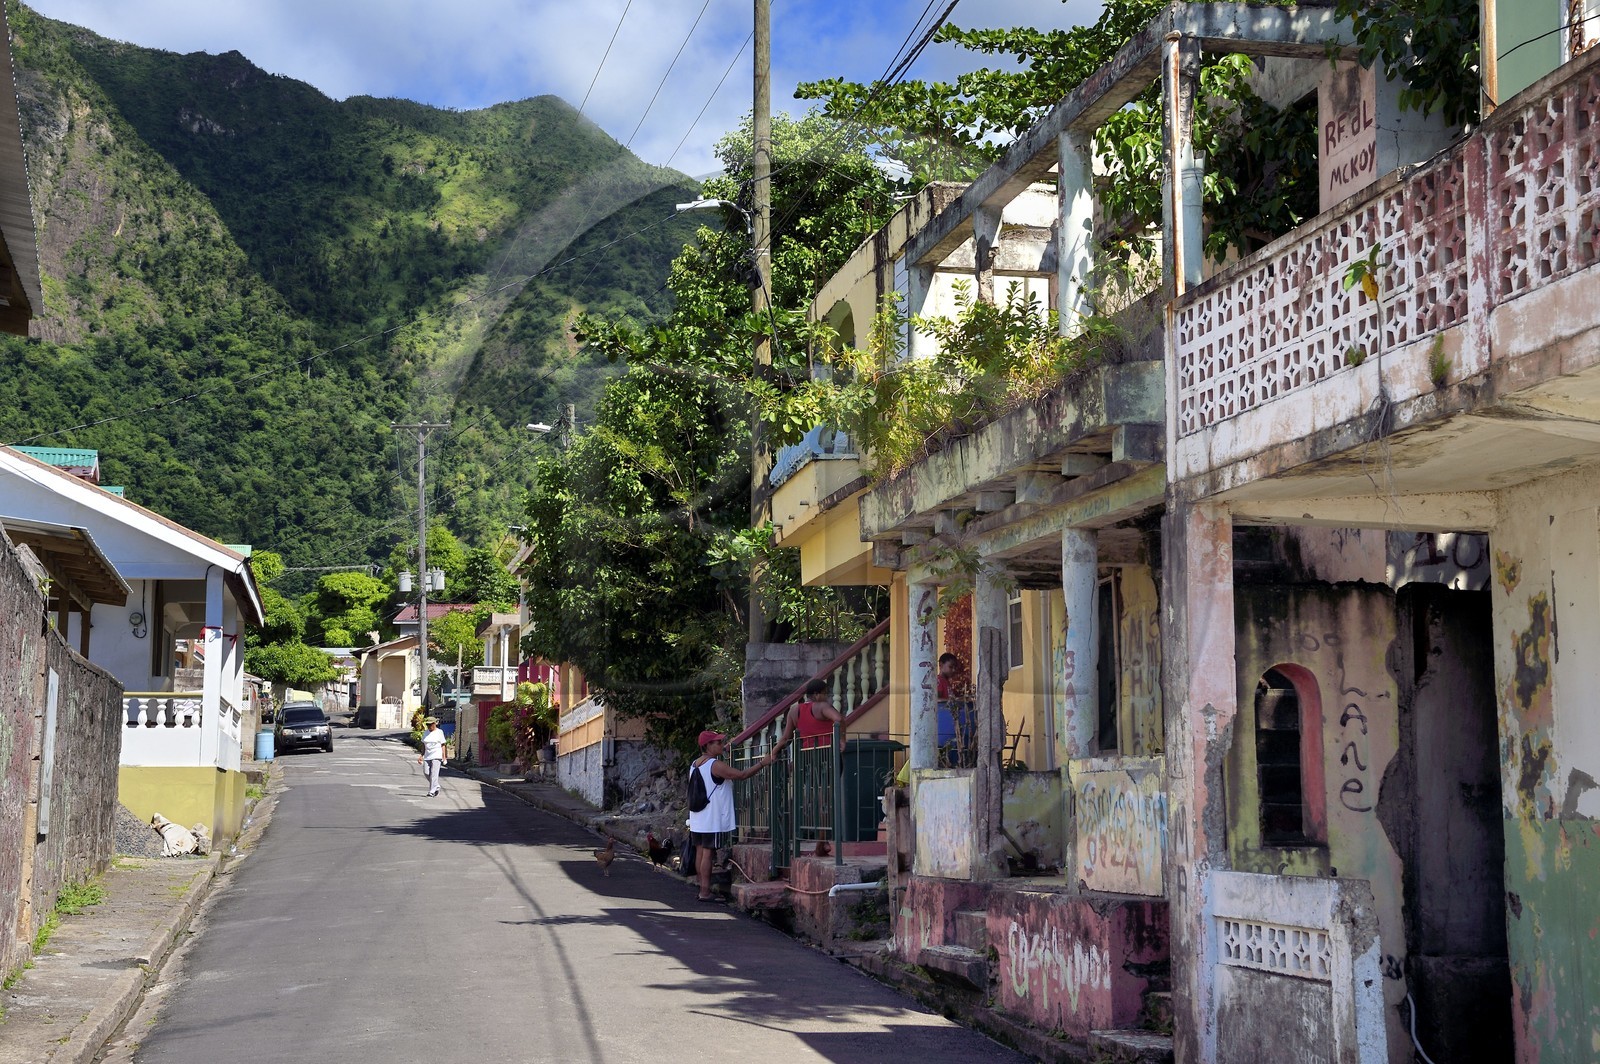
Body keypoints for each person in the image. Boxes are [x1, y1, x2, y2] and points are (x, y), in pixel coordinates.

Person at [688, 729, 775, 902]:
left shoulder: (695, 764)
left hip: (698, 816)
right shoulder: (714, 765)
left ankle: (701, 888)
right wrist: (762, 764)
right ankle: (705, 893)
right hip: (712, 817)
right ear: (708, 745)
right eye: (718, 743)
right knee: (708, 853)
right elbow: (741, 775)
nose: (721, 745)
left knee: (699, 851)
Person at [776, 677, 842, 751]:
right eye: (824, 694)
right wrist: (842, 739)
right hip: (827, 752)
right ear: (816, 694)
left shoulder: (794, 710)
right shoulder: (822, 706)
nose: (826, 697)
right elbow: (839, 719)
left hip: (806, 754)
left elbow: (786, 738)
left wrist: (773, 752)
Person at [419, 716, 447, 797]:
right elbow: (424, 745)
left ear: (435, 724)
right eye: (427, 725)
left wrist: (444, 757)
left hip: (437, 755)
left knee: (434, 774)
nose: (429, 726)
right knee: (426, 772)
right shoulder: (426, 732)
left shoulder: (439, 732)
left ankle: (431, 791)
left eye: (430, 724)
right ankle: (436, 786)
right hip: (427, 755)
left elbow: (443, 745)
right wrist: (421, 755)